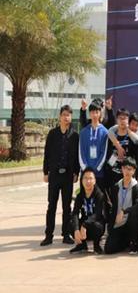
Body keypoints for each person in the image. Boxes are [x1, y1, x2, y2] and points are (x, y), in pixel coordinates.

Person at [42, 105, 79, 246]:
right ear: (60, 117)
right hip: (54, 175)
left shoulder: (75, 136)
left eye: (68, 115)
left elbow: (76, 156)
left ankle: (66, 234)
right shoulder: (52, 134)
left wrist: (76, 172)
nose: (66, 117)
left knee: (67, 207)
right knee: (51, 206)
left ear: (71, 117)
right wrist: (45, 172)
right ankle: (48, 235)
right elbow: (47, 153)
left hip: (68, 176)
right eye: (64, 115)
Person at [105, 157, 138, 254]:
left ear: (134, 171)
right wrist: (111, 227)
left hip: (131, 222)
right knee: (108, 249)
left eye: (130, 169)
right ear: (122, 169)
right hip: (119, 222)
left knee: (135, 214)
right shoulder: (116, 186)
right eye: (125, 168)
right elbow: (113, 207)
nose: (127, 171)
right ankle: (124, 242)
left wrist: (124, 211)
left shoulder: (137, 187)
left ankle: (133, 242)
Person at [69, 168, 106, 254]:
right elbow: (75, 213)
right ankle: (82, 245)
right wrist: (76, 229)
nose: (88, 181)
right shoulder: (80, 196)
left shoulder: (99, 195)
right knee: (70, 223)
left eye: (90, 178)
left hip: (95, 225)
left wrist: (84, 225)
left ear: (95, 181)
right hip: (84, 228)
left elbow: (98, 214)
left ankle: (96, 245)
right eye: (85, 178)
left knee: (97, 226)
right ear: (81, 180)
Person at [104, 108, 138, 196]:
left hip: (127, 175)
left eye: (125, 118)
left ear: (128, 120)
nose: (122, 120)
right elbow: (108, 154)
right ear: (117, 120)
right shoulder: (112, 136)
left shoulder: (131, 137)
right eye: (120, 118)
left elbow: (136, 156)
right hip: (112, 174)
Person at [79, 100, 109, 191]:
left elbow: (104, 153)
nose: (95, 115)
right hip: (85, 173)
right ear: (89, 114)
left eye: (97, 112)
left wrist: (96, 169)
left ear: (100, 113)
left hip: (99, 173)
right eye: (92, 112)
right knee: (85, 197)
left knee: (98, 197)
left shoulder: (105, 132)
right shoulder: (83, 132)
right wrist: (85, 169)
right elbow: (81, 152)